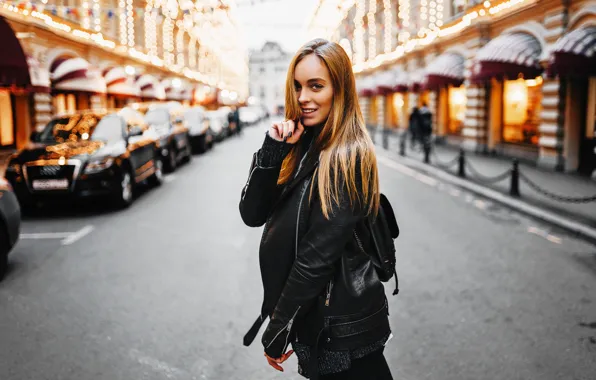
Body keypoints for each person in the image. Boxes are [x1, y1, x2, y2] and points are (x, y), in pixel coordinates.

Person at [239, 38, 393, 380]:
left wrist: (278, 329)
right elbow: (251, 214)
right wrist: (272, 151)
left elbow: (315, 259)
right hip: (320, 321)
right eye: (297, 86)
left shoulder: (346, 155)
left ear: (340, 91)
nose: (303, 98)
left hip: (342, 331)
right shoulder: (301, 145)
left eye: (316, 86)